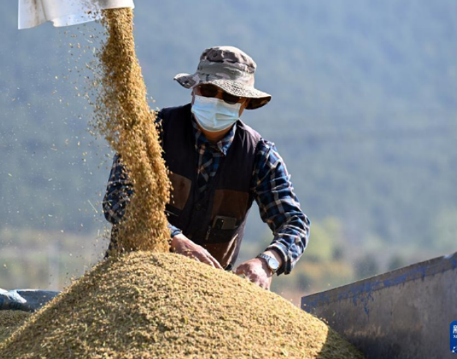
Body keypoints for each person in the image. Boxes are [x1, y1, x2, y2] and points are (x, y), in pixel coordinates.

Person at [103, 46, 310, 290]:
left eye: (230, 97)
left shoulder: (259, 156)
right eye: (210, 91)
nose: (217, 101)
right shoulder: (152, 132)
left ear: (244, 104)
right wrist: (173, 237)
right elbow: (117, 199)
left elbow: (294, 223)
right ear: (194, 89)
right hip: (129, 283)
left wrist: (268, 262)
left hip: (205, 296)